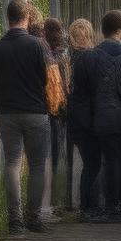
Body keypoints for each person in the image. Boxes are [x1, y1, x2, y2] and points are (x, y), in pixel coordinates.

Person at [0, 0, 51, 235]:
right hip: (35, 112)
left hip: (7, 113)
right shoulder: (37, 46)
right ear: (27, 18)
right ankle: (34, 218)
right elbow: (46, 79)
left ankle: (15, 220)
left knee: (12, 163)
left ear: (8, 18)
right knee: (37, 165)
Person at [83, 10, 121, 222]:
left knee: (107, 160)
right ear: (120, 30)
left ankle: (111, 207)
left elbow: (88, 89)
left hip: (102, 116)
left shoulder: (92, 56)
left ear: (101, 30)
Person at [67, 18, 103, 219]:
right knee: (93, 164)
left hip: (75, 119)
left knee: (89, 163)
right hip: (89, 119)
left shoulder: (70, 58)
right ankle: (90, 207)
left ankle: (85, 206)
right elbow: (96, 90)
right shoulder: (90, 58)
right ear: (89, 35)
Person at [43, 18, 69, 205]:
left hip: (42, 107)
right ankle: (56, 196)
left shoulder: (42, 52)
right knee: (57, 151)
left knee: (45, 153)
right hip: (59, 109)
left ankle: (48, 197)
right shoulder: (65, 54)